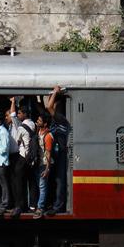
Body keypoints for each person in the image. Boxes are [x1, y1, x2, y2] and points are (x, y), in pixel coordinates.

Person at [45, 85, 71, 216]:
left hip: (60, 153)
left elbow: (48, 107)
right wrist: (52, 94)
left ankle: (59, 206)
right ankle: (54, 203)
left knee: (60, 180)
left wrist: (55, 92)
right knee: (55, 179)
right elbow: (46, 107)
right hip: (56, 152)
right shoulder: (56, 121)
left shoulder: (61, 119)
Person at [9, 98, 36, 216]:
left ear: (24, 114)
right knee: (31, 181)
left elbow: (17, 141)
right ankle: (32, 205)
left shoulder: (21, 128)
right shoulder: (33, 124)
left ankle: (20, 206)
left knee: (18, 182)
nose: (18, 115)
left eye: (20, 113)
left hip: (22, 157)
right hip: (31, 157)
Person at [32, 112, 54, 219]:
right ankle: (43, 205)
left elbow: (48, 153)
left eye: (40, 121)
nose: (37, 121)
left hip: (44, 164)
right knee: (41, 186)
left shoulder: (48, 136)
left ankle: (40, 208)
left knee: (42, 186)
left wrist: (47, 169)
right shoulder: (39, 132)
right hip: (38, 163)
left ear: (45, 124)